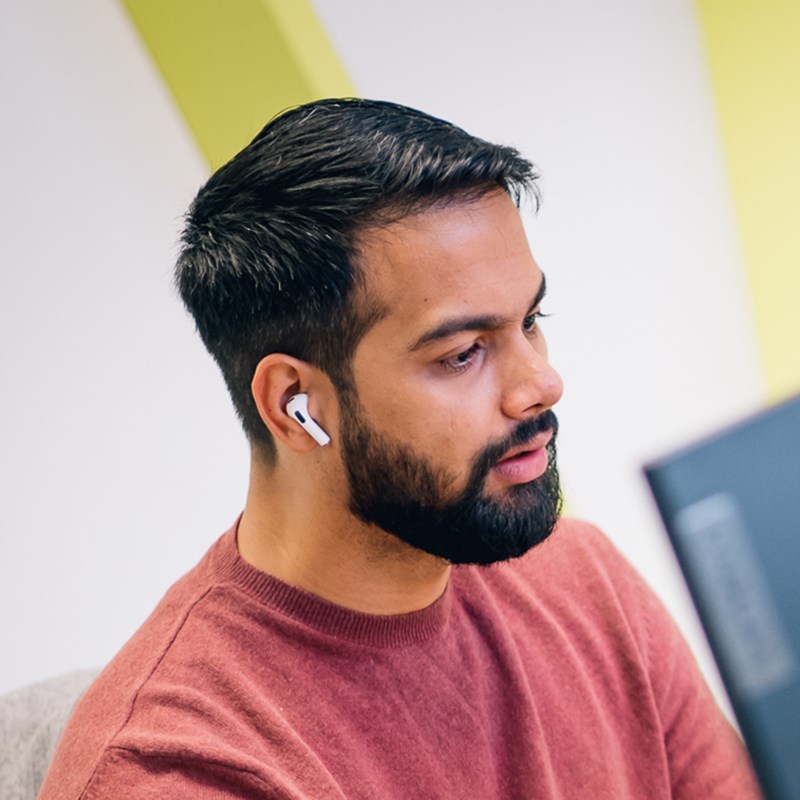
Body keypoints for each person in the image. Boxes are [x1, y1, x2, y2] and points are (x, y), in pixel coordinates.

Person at [38, 98, 762, 799]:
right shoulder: (175, 770)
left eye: (532, 320)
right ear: (295, 404)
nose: (542, 383)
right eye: (462, 354)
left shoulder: (587, 585)